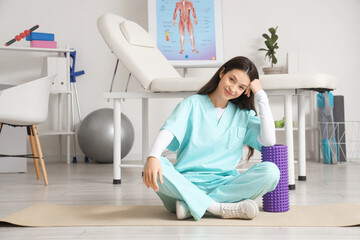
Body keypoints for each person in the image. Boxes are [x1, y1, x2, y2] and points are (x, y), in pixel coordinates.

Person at [143, 56, 280, 221]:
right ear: (222, 73)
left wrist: (261, 95)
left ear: (245, 90)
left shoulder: (244, 115)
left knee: (271, 172)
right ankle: (216, 208)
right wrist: (153, 156)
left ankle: (192, 206)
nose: (233, 88)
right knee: (158, 162)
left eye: (241, 86)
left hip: (223, 186)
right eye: (232, 79)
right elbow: (169, 130)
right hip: (184, 186)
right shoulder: (192, 104)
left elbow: (269, 141)